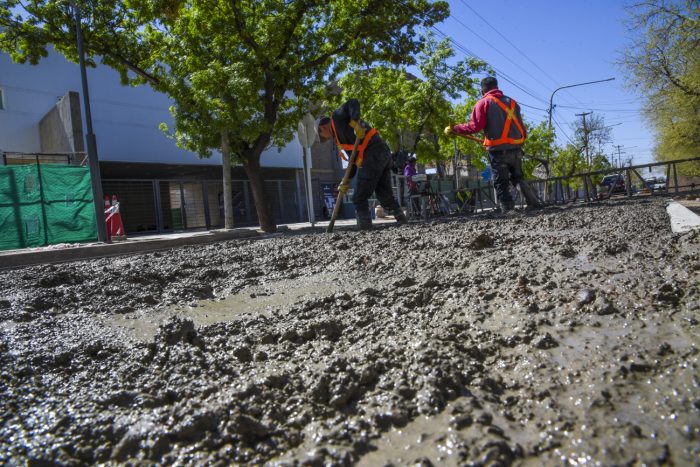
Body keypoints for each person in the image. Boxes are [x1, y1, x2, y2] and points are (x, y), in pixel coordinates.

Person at [445, 76, 543, 213]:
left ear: (482, 90)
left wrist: (456, 129)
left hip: (498, 151)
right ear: (496, 87)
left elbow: (475, 126)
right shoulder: (513, 103)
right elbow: (522, 128)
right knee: (517, 178)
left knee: (500, 182)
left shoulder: (483, 103)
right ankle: (534, 203)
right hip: (516, 149)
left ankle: (508, 210)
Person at [317, 99, 407, 230]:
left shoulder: (337, 117)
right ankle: (402, 219)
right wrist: (345, 181)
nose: (326, 139)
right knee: (385, 194)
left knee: (359, 197)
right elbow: (352, 163)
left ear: (322, 127)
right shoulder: (340, 140)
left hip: (373, 154)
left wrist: (355, 121)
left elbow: (353, 102)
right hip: (381, 154)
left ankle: (365, 228)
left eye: (323, 136)